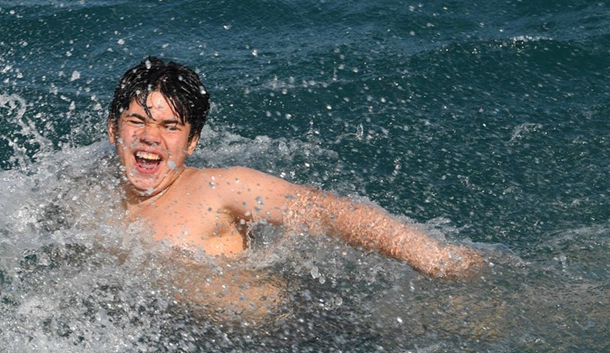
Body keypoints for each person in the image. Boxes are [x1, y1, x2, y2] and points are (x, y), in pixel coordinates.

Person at [107, 56, 483, 285]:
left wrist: (434, 258)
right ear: (113, 129)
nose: (151, 138)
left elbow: (321, 210)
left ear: (192, 143)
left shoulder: (218, 188)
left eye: (170, 127)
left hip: (294, 333)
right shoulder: (85, 195)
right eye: (137, 121)